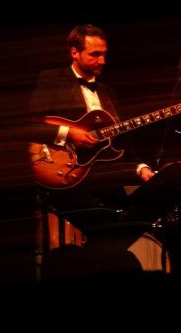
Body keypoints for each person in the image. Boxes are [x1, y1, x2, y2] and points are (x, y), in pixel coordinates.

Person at [28, 24, 156, 273]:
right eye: (95, 54)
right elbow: (29, 125)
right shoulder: (51, 79)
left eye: (104, 54)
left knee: (141, 212)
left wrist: (141, 167)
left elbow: (124, 144)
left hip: (104, 175)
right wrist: (69, 133)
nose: (102, 61)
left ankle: (101, 265)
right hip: (64, 173)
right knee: (104, 224)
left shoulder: (109, 92)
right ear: (74, 52)